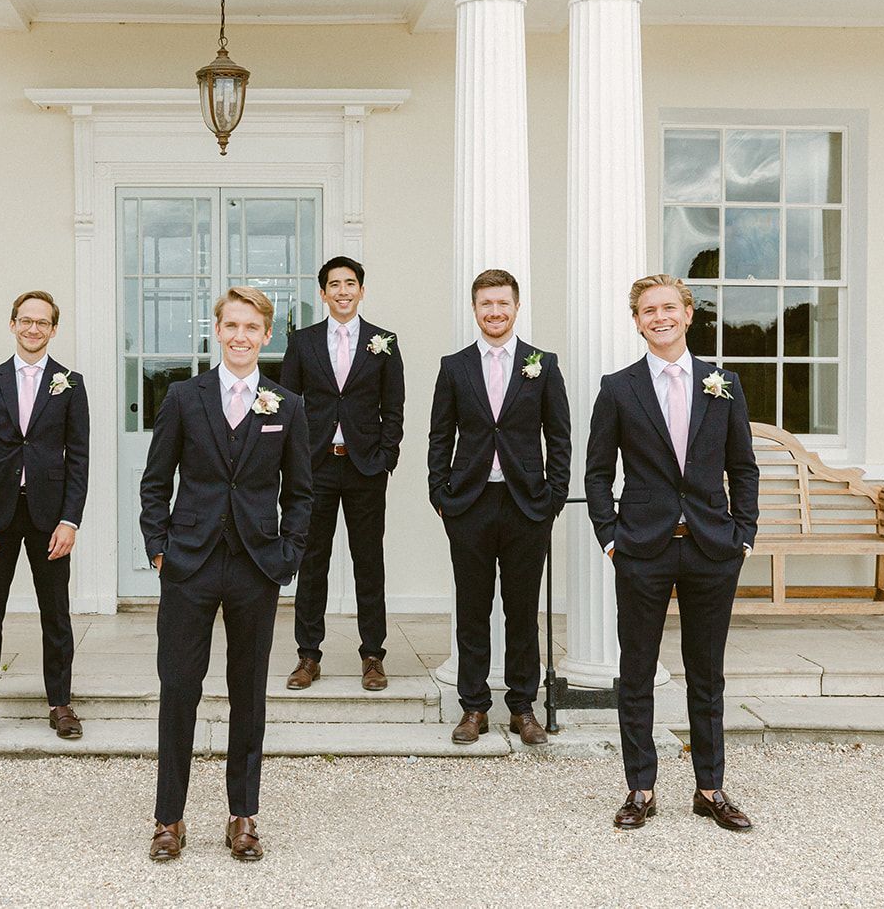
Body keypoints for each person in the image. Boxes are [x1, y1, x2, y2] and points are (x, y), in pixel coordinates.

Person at [139, 286, 311, 863]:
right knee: (178, 692)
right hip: (188, 562)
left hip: (255, 567)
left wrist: (287, 554)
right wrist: (158, 548)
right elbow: (156, 479)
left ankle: (244, 816)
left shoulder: (286, 406)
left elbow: (301, 493)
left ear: (268, 335)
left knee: (249, 695)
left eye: (252, 327)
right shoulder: (184, 397)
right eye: (231, 325)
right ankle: (169, 818)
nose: (240, 336)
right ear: (218, 331)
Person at [585, 273, 759, 832]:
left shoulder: (723, 382)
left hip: (713, 548)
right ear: (636, 321)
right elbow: (596, 472)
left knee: (707, 674)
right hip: (642, 549)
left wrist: (744, 535)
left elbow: (744, 467)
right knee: (636, 672)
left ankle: (710, 788)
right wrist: (611, 537)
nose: (658, 317)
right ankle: (641, 788)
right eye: (647, 310)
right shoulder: (618, 387)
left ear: (688, 313)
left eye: (668, 307)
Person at [428, 269, 570, 746]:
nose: (495, 311)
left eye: (502, 303)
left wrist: (552, 498)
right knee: (471, 609)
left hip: (526, 505)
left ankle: (523, 706)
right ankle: (473, 707)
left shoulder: (542, 364)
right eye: (486, 303)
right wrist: (440, 496)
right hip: (468, 504)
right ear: (475, 309)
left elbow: (560, 437)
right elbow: (439, 435)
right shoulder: (454, 366)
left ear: (516, 306)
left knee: (521, 610)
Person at [0, 290, 90, 742]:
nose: (33, 329)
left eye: (43, 322)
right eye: (25, 320)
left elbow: (79, 458)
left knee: (56, 614)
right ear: (12, 324)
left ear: (54, 330)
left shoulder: (70, 384)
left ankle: (61, 704)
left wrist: (70, 521)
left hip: (49, 519)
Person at [278, 256, 405, 692]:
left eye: (351, 283)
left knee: (369, 562)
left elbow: (394, 406)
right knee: (312, 562)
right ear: (323, 293)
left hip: (366, 466)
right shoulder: (302, 342)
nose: (343, 291)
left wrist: (386, 455)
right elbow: (289, 405)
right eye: (335, 284)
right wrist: (291, 463)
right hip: (315, 467)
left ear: (362, 291)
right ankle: (308, 656)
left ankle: (373, 656)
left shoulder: (383, 341)